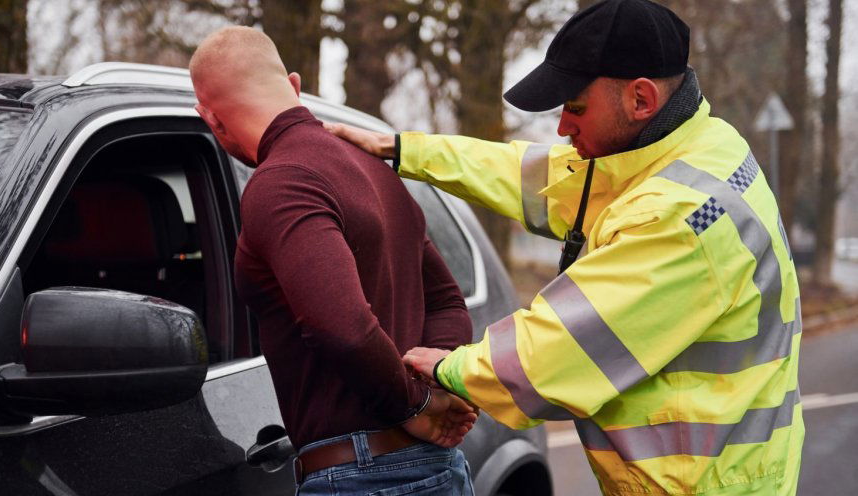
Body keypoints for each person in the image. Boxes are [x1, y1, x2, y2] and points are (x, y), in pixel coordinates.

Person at [326, 0, 804, 494]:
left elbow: (555, 356)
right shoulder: (694, 148)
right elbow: (533, 177)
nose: (561, 127)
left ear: (641, 99)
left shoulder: (678, 216)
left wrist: (448, 367)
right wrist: (404, 150)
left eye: (574, 108)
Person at [189, 26, 478, 495]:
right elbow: (447, 303)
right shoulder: (373, 169)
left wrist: (417, 405)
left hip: (365, 478)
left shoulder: (280, 182)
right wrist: (436, 384)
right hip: (437, 469)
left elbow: (343, 328)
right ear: (296, 85)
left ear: (210, 118)